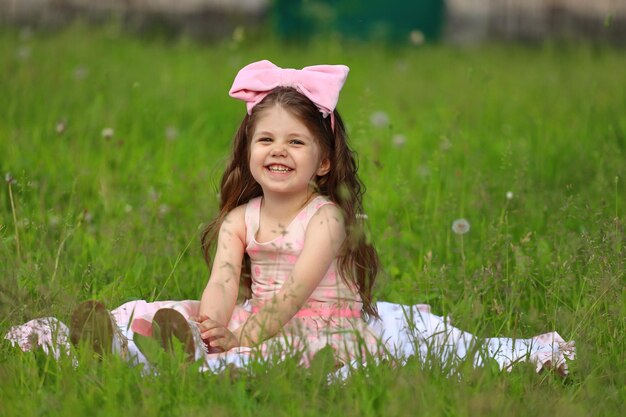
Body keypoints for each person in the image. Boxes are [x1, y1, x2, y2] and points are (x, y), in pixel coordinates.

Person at [5, 60, 575, 375]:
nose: (279, 150)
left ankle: (186, 355)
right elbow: (226, 277)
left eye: (297, 142)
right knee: (171, 310)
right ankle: (129, 341)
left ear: (323, 161)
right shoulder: (241, 217)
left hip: (316, 322)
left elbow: (297, 292)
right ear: (248, 150)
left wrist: (244, 335)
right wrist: (216, 321)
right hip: (253, 313)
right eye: (267, 139)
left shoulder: (325, 218)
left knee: (264, 359)